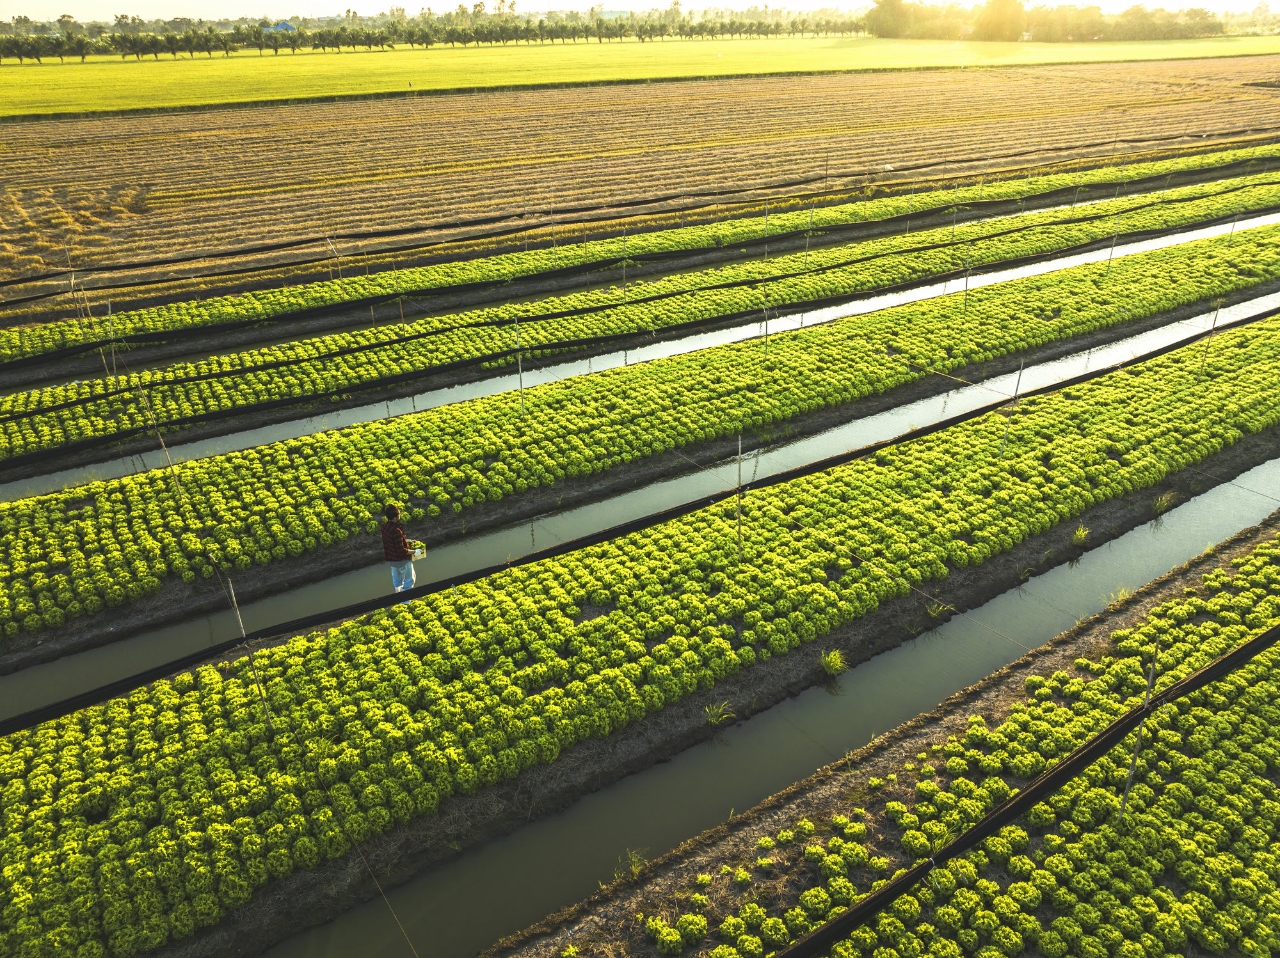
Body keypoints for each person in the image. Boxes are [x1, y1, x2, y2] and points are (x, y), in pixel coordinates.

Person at [381, 504, 416, 594]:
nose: (400, 515)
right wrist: (415, 551)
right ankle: (405, 601)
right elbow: (402, 551)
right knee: (409, 579)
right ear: (395, 517)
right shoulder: (396, 530)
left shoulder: (385, 526)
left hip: (392, 560)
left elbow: (392, 541)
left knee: (397, 581)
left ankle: (398, 597)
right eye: (399, 514)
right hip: (401, 561)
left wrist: (407, 541)